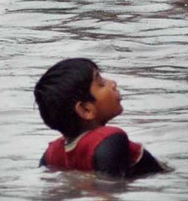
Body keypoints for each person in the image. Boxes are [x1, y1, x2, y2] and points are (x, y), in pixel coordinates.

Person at [34, 58, 164, 177]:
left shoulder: (50, 156)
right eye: (101, 83)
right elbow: (110, 188)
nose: (112, 83)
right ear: (86, 110)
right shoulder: (110, 140)